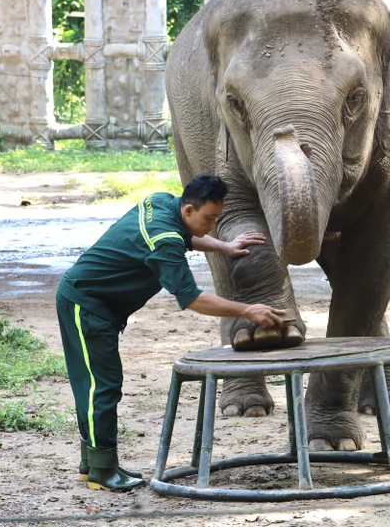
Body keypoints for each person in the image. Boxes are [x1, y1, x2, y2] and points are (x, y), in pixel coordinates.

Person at [55, 174, 286, 492]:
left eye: (217, 218)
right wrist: (247, 311)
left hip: (89, 300)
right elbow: (192, 298)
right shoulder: (164, 241)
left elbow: (187, 236)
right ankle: (102, 471)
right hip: (87, 305)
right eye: (209, 218)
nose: (212, 225)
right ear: (189, 209)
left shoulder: (162, 202)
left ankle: (92, 464)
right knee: (101, 387)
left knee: (94, 384)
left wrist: (224, 246)